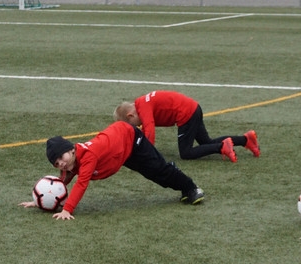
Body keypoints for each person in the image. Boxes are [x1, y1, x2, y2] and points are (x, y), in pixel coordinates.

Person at [20, 120, 204, 219]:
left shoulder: (88, 156)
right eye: (56, 163)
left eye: (61, 158)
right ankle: (181, 185)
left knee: (159, 171)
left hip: (131, 139)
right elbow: (60, 183)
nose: (60, 164)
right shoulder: (71, 163)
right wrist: (41, 200)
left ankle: (191, 188)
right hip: (121, 152)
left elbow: (81, 184)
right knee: (155, 174)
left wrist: (67, 209)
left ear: (71, 150)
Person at [114, 91, 260, 163]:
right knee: (206, 142)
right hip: (193, 108)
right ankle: (245, 139)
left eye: (133, 125)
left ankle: (222, 147)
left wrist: (146, 155)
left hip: (186, 114)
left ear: (130, 115)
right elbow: (146, 130)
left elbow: (149, 131)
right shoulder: (141, 103)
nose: (136, 127)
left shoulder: (142, 107)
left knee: (186, 153)